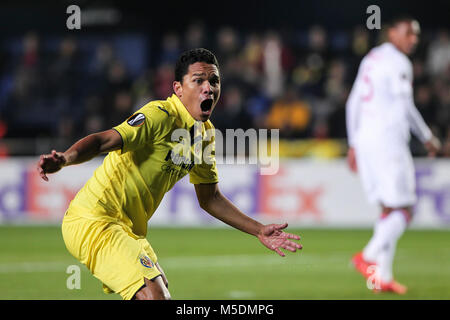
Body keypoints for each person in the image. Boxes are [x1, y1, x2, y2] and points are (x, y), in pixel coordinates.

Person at [37, 48, 302, 300]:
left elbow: (210, 198)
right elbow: (102, 141)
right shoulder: (158, 115)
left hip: (129, 230)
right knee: (155, 295)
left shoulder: (205, 134)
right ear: (178, 88)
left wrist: (258, 230)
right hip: (95, 219)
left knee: (160, 289)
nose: (208, 87)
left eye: (214, 81)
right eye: (198, 80)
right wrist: (66, 158)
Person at [346, 17, 441, 294]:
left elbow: (353, 101)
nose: (414, 39)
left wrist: (353, 143)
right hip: (388, 142)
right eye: (409, 32)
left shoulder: (371, 58)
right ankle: (369, 256)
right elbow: (405, 106)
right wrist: (427, 136)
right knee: (405, 209)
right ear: (392, 32)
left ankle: (381, 278)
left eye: (417, 34)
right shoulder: (400, 62)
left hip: (365, 140)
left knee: (388, 208)